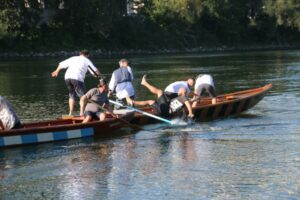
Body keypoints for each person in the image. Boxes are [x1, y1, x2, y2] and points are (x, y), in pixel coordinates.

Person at [51, 50, 101, 116]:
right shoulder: (86, 60)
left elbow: (61, 64)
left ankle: (70, 113)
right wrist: (100, 76)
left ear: (80, 54)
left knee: (71, 95)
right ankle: (81, 113)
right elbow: (95, 71)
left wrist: (56, 71)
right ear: (87, 55)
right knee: (83, 97)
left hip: (67, 77)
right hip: (77, 78)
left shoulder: (73, 58)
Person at [126, 75, 194, 119]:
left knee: (159, 92)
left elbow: (187, 102)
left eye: (181, 90)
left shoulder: (182, 98)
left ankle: (144, 83)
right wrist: (187, 114)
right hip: (163, 112)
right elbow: (186, 104)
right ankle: (132, 102)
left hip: (165, 111)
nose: (179, 90)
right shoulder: (179, 97)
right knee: (150, 101)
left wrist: (190, 113)